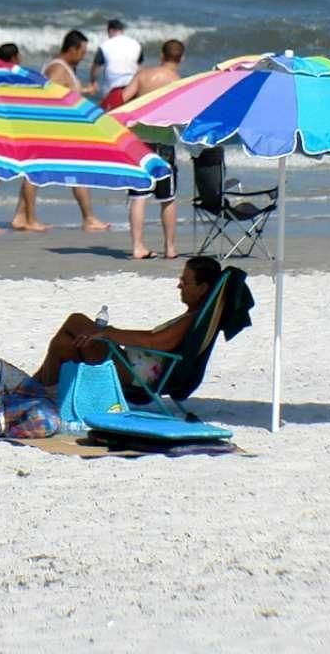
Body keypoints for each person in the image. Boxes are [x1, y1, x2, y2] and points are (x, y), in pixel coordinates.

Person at [34, 255, 221, 389]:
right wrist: (110, 332)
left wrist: (108, 332)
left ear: (203, 288)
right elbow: (154, 339)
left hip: (134, 376)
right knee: (62, 344)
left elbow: (156, 342)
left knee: (76, 320)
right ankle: (35, 391)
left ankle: (31, 389)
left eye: (185, 282)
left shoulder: (191, 320)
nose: (179, 285)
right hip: (132, 365)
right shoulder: (193, 318)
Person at [119, 39, 185, 260]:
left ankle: (137, 246)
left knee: (139, 195)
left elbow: (124, 99)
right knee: (168, 197)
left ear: (161, 55)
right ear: (181, 58)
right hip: (164, 142)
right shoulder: (179, 82)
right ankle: (170, 248)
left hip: (139, 143)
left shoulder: (143, 75)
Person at [42, 30, 109, 231]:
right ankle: (88, 217)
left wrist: (84, 91)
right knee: (78, 172)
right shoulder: (59, 68)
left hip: (59, 129)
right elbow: (47, 93)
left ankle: (22, 215)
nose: (83, 56)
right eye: (81, 52)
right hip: (58, 130)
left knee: (36, 173)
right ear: (72, 49)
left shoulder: (62, 67)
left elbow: (65, 92)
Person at [0, 42, 41, 233]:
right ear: (14, 58)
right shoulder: (16, 76)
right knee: (31, 170)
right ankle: (26, 219)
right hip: (14, 130)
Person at [90, 18, 143, 110]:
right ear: (122, 30)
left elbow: (96, 67)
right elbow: (139, 67)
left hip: (113, 89)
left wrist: (93, 82)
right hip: (133, 88)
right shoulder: (136, 44)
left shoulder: (104, 46)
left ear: (110, 31)